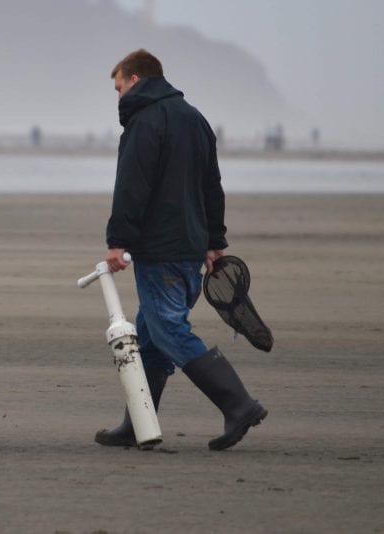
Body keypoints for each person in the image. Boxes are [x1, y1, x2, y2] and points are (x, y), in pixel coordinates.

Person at [96, 48, 267, 451]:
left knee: (169, 329)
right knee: (153, 338)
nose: (118, 97)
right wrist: (213, 242)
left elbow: (132, 185)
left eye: (119, 87)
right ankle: (138, 423)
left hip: (161, 249)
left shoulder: (144, 122)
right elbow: (212, 185)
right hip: (190, 247)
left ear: (135, 80)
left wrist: (117, 241)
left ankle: (239, 404)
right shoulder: (195, 118)